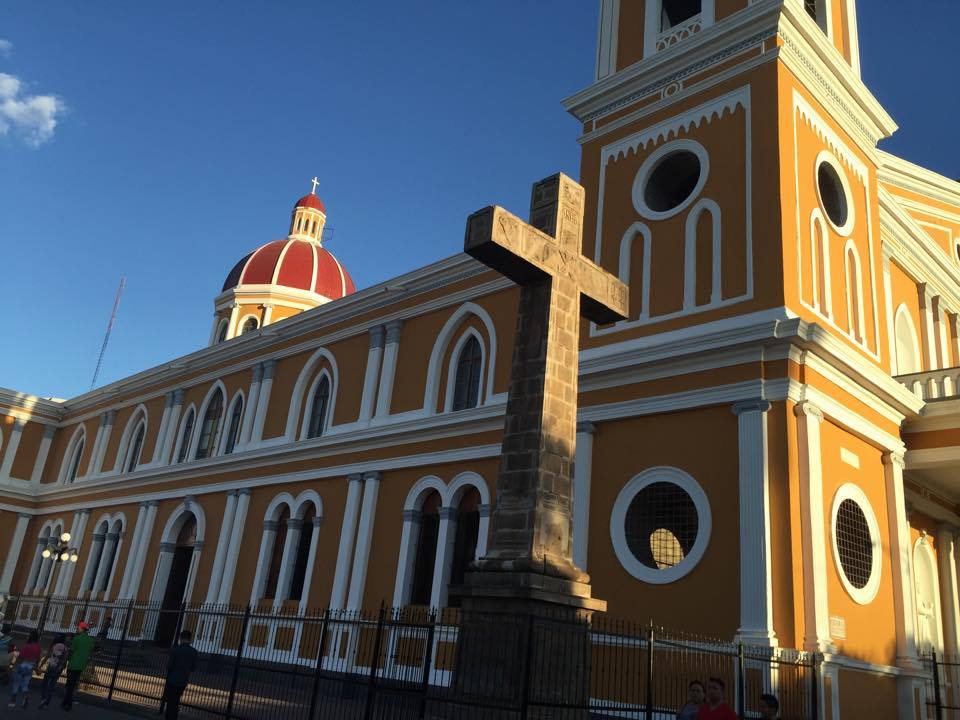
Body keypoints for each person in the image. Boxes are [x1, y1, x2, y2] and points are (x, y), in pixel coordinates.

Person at [163, 629, 198, 720]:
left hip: (172, 679)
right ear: (190, 639)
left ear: (180, 638)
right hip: (183, 680)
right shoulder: (193, 652)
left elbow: (169, 665)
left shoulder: (175, 650)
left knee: (171, 701)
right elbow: (193, 668)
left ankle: (170, 717)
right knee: (176, 699)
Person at [61, 621, 95, 712]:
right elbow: (91, 652)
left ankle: (68, 703)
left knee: (69, 685)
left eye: (78, 627)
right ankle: (65, 702)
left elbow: (71, 652)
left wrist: (65, 661)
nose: (77, 629)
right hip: (81, 666)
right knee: (73, 684)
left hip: (73, 665)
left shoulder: (76, 639)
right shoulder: (90, 640)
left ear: (82, 629)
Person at [9, 630, 41, 708]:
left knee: (16, 684)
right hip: (30, 668)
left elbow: (20, 657)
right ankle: (25, 697)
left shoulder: (27, 646)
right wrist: (36, 668)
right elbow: (37, 660)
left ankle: (13, 702)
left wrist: (14, 666)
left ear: (30, 636)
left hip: (22, 666)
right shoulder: (38, 648)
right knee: (25, 684)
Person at [37, 633, 67, 709]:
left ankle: (43, 698)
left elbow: (47, 656)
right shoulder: (65, 648)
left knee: (44, 684)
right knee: (52, 685)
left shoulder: (54, 646)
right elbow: (64, 659)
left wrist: (40, 665)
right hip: (58, 669)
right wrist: (61, 667)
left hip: (51, 667)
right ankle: (47, 703)